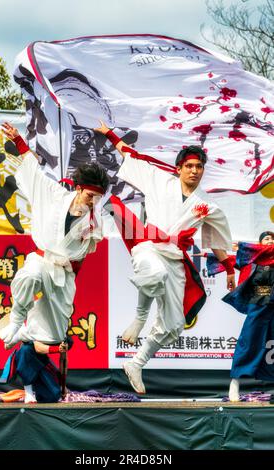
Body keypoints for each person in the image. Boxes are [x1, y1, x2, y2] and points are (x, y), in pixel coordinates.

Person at [94, 121, 235, 394]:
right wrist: (111, 135)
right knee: (153, 273)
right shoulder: (160, 179)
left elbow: (218, 239)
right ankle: (139, 317)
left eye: (199, 167)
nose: (194, 171)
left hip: (175, 259)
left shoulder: (209, 205)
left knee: (173, 324)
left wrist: (229, 268)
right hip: (148, 247)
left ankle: (136, 363)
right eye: (190, 166)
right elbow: (130, 155)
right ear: (179, 168)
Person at [0, 122, 109, 402]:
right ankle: (16, 320)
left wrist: (69, 273)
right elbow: (34, 173)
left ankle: (43, 374)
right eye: (89, 195)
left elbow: (82, 258)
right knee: (28, 275)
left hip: (64, 274)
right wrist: (20, 142)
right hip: (42, 258)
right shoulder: (54, 195)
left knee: (54, 336)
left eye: (98, 197)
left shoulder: (95, 222)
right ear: (79, 188)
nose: (93, 201)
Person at [222, 231, 274, 401]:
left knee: (272, 345)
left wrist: (245, 247)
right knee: (248, 341)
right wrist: (212, 255)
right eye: (266, 238)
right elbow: (230, 260)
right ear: (259, 243)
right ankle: (235, 383)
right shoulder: (252, 260)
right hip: (258, 304)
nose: (270, 241)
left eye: (272, 238)